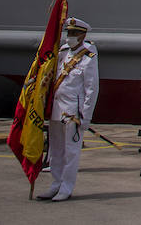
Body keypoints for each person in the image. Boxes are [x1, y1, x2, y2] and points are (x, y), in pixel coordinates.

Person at [37, 17, 99, 202]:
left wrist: (86, 117)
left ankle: (66, 187)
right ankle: (55, 184)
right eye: (68, 32)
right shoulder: (62, 53)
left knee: (71, 152)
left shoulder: (88, 58)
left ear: (82, 35)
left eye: (74, 33)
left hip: (73, 112)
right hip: (57, 108)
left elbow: (91, 89)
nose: (69, 36)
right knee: (55, 150)